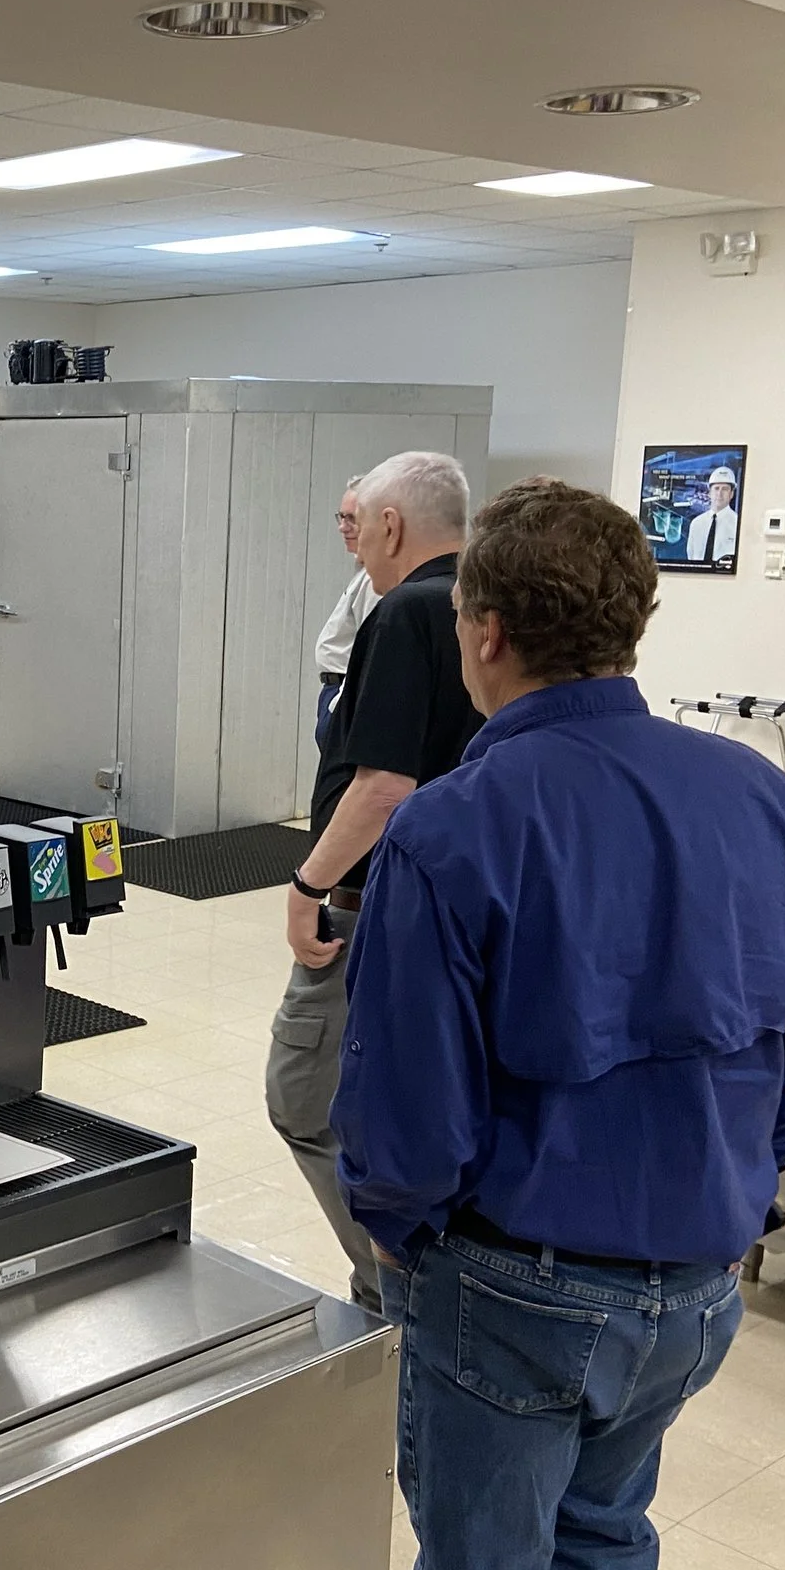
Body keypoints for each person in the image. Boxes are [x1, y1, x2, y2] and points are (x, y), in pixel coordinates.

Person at [334, 479, 785, 1570]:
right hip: (695, 1289)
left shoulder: (453, 827)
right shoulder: (773, 806)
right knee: (607, 1539)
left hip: (515, 1286)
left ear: (485, 630)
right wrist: (732, 1181)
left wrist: (411, 1242)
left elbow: (407, 1117)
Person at [269, 451, 479, 1314]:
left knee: (304, 1098)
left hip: (369, 908)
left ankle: (397, 1283)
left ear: (391, 525)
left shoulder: (407, 612)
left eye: (362, 528)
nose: (357, 547)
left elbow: (384, 783)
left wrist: (307, 882)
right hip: (453, 911)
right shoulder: (487, 609)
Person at [313, 476, 378, 748]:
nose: (343, 527)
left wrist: (339, 706)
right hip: (337, 692)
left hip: (345, 695)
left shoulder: (377, 580)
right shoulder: (363, 572)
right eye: (341, 517)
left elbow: (370, 653)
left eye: (351, 519)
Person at [686, 465, 740, 564]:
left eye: (724, 489)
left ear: (731, 494)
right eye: (716, 488)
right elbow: (691, 556)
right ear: (710, 492)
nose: (719, 493)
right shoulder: (696, 524)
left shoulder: (738, 525)